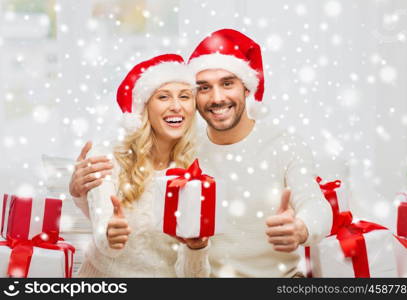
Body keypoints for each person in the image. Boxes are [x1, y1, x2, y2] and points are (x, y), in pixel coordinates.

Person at [71, 29, 333, 277]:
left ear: (247, 88)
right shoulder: (183, 148)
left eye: (227, 83)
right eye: (204, 88)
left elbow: (314, 203)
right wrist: (80, 191)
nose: (216, 98)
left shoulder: (283, 145)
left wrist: (302, 228)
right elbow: (129, 202)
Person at [72, 54, 210, 277]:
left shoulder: (200, 170)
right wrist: (109, 235)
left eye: (184, 96)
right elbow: (103, 231)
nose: (176, 106)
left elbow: (193, 277)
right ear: (144, 107)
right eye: (163, 97)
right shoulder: (107, 158)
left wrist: (197, 248)